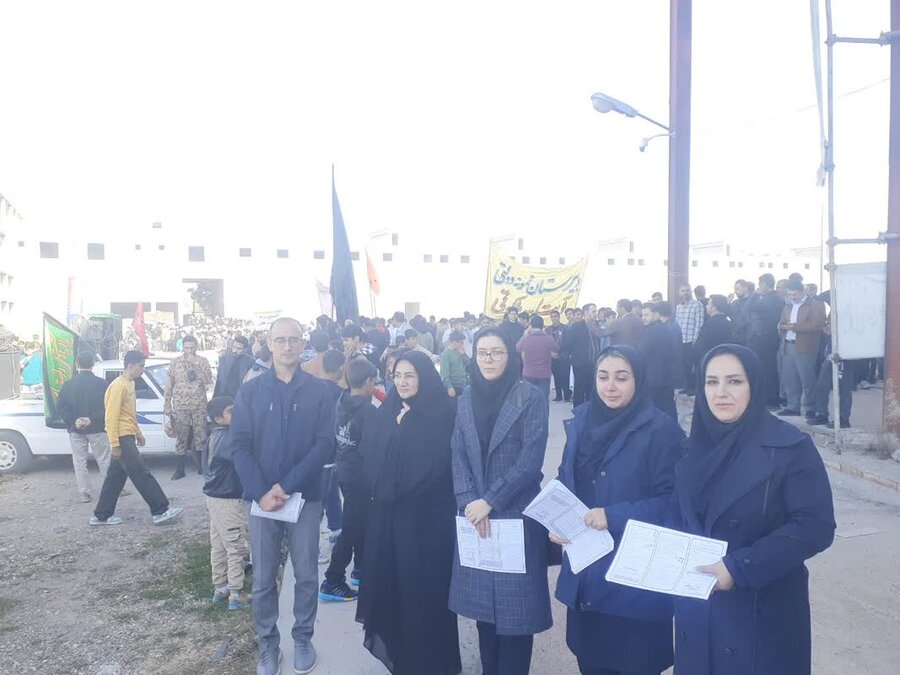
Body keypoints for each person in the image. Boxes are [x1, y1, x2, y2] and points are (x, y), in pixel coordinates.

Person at [670, 345, 835, 674]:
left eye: (734, 381)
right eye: (711, 382)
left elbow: (814, 525)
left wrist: (739, 568)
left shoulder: (789, 446)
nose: (721, 393)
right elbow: (676, 515)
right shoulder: (692, 447)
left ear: (754, 385)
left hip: (761, 612)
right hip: (699, 608)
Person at [553, 345, 684, 675]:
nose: (610, 386)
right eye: (603, 377)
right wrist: (557, 519)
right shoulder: (582, 420)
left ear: (638, 380)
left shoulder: (661, 430)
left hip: (635, 580)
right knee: (590, 659)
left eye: (621, 378)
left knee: (633, 662)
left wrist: (614, 516)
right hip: (586, 569)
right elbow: (566, 477)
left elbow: (675, 502)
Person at [231, 317, 336, 675]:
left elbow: (324, 445)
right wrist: (261, 491)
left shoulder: (319, 391)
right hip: (262, 501)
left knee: (305, 573)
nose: (287, 346)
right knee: (263, 578)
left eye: (294, 339)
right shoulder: (251, 391)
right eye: (281, 340)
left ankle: (303, 637)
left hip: (305, 498)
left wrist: (286, 486)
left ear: (303, 343)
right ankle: (268, 644)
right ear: (270, 343)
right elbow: (240, 445)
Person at [450, 329, 551, 675]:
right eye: (482, 352)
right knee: (484, 613)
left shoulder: (529, 397)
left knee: (516, 615)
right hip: (475, 516)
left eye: (497, 352)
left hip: (515, 515)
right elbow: (457, 450)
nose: (489, 359)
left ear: (511, 355)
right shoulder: (466, 398)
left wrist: (490, 500)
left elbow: (530, 460)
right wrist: (468, 500)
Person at [356, 351, 461, 675]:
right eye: (398, 375)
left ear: (424, 377)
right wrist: (398, 432)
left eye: (410, 375)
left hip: (428, 524)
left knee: (427, 594)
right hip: (391, 522)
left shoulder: (442, 414)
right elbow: (370, 463)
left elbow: (433, 469)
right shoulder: (386, 412)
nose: (402, 382)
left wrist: (406, 431)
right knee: (397, 592)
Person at [91, 350, 184, 527]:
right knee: (141, 473)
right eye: (141, 366)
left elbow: (129, 414)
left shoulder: (129, 384)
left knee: (115, 477)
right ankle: (160, 510)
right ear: (130, 365)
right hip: (122, 437)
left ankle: (101, 515)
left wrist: (138, 432)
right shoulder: (118, 386)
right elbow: (111, 418)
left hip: (127, 434)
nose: (142, 369)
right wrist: (115, 444)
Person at [320, 358, 378, 602]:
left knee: (360, 521)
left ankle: (361, 568)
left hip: (343, 469)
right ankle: (332, 580)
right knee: (352, 526)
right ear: (369, 381)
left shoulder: (341, 400)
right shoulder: (368, 411)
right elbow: (373, 449)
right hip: (361, 477)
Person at [202, 396, 250, 611]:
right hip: (228, 498)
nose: (237, 413)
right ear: (218, 418)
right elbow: (244, 459)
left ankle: (220, 587)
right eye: (231, 411)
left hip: (214, 498)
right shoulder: (228, 438)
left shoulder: (214, 435)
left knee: (219, 544)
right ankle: (236, 593)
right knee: (236, 546)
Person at [56, 351, 117, 502]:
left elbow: (61, 407)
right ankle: (112, 489)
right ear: (93, 364)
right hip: (97, 428)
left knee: (79, 461)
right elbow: (109, 407)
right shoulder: (102, 384)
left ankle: (84, 493)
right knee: (104, 459)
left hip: (76, 429)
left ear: (76, 364)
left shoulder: (68, 385)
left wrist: (74, 420)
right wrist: (92, 418)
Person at [165, 334, 213, 480]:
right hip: (181, 404)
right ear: (183, 348)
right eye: (186, 348)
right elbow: (169, 385)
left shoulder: (202, 361)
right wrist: (167, 406)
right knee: (181, 437)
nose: (189, 351)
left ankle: (201, 467)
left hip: (199, 404)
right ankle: (180, 469)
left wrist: (196, 366)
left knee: (201, 436)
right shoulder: (175, 362)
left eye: (192, 348)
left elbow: (208, 380)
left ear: (196, 347)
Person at [778, 279, 827, 418]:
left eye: (794, 294)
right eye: (789, 294)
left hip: (806, 347)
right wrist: (786, 327)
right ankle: (793, 406)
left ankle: (810, 408)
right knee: (790, 378)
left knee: (807, 379)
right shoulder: (788, 306)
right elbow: (781, 324)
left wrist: (794, 327)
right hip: (788, 345)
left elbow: (816, 325)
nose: (792, 297)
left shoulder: (816, 305)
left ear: (802, 291)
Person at [748, 273, 786, 407]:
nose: (759, 287)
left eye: (760, 284)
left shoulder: (773, 298)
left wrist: (755, 294)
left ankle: (771, 399)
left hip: (767, 337)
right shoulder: (769, 298)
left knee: (768, 369)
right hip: (761, 337)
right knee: (763, 368)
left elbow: (750, 307)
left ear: (764, 284)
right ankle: (766, 397)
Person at [810, 320, 854, 428]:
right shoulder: (833, 312)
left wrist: (835, 331)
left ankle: (843, 419)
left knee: (844, 389)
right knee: (821, 386)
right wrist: (828, 330)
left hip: (846, 356)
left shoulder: (851, 314)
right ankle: (822, 414)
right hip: (830, 356)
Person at [638, 303, 678, 420]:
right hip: (666, 376)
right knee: (668, 407)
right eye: (642, 315)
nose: (643, 318)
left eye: (646, 315)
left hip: (654, 378)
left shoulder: (653, 330)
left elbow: (642, 352)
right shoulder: (663, 328)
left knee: (656, 409)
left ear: (656, 314)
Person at [515, 315, 559, 399]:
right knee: (543, 400)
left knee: (529, 400)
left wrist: (524, 334)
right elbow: (556, 349)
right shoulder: (548, 338)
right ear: (542, 325)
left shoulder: (526, 339)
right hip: (544, 374)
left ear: (531, 325)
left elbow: (517, 348)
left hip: (528, 373)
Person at [675, 285, 704, 395]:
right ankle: (686, 386)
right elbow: (677, 323)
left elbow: (699, 323)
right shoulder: (679, 307)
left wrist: (696, 340)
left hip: (691, 339)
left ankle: (693, 388)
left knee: (692, 365)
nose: (685, 292)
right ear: (680, 293)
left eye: (687, 290)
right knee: (683, 364)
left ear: (691, 292)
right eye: (683, 291)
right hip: (681, 340)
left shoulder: (697, 304)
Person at [564, 307, 595, 407]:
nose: (577, 317)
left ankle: (580, 407)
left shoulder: (578, 327)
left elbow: (568, 343)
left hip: (582, 360)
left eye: (578, 314)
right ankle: (586, 406)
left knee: (581, 385)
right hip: (584, 360)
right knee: (584, 385)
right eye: (575, 314)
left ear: (582, 315)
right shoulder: (584, 326)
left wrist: (562, 350)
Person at [693, 294, 733, 370]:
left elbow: (700, 346)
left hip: (708, 362)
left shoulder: (709, 324)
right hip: (725, 361)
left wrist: (694, 360)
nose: (706, 306)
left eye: (708, 304)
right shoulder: (728, 323)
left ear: (714, 307)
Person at [548, 309, 571, 403]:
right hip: (552, 357)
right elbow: (546, 343)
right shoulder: (548, 329)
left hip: (563, 356)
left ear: (559, 317)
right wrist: (551, 352)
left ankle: (567, 396)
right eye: (552, 317)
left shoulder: (565, 328)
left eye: (555, 316)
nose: (554, 318)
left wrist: (558, 351)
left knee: (565, 376)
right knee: (556, 376)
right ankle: (558, 396)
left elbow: (567, 342)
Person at [440, 330, 471, 398]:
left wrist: (463, 354)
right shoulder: (445, 355)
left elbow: (468, 363)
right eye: (460, 342)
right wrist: (449, 387)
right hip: (454, 385)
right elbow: (444, 373)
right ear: (454, 341)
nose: (462, 344)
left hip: (464, 383)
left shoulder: (460, 350)